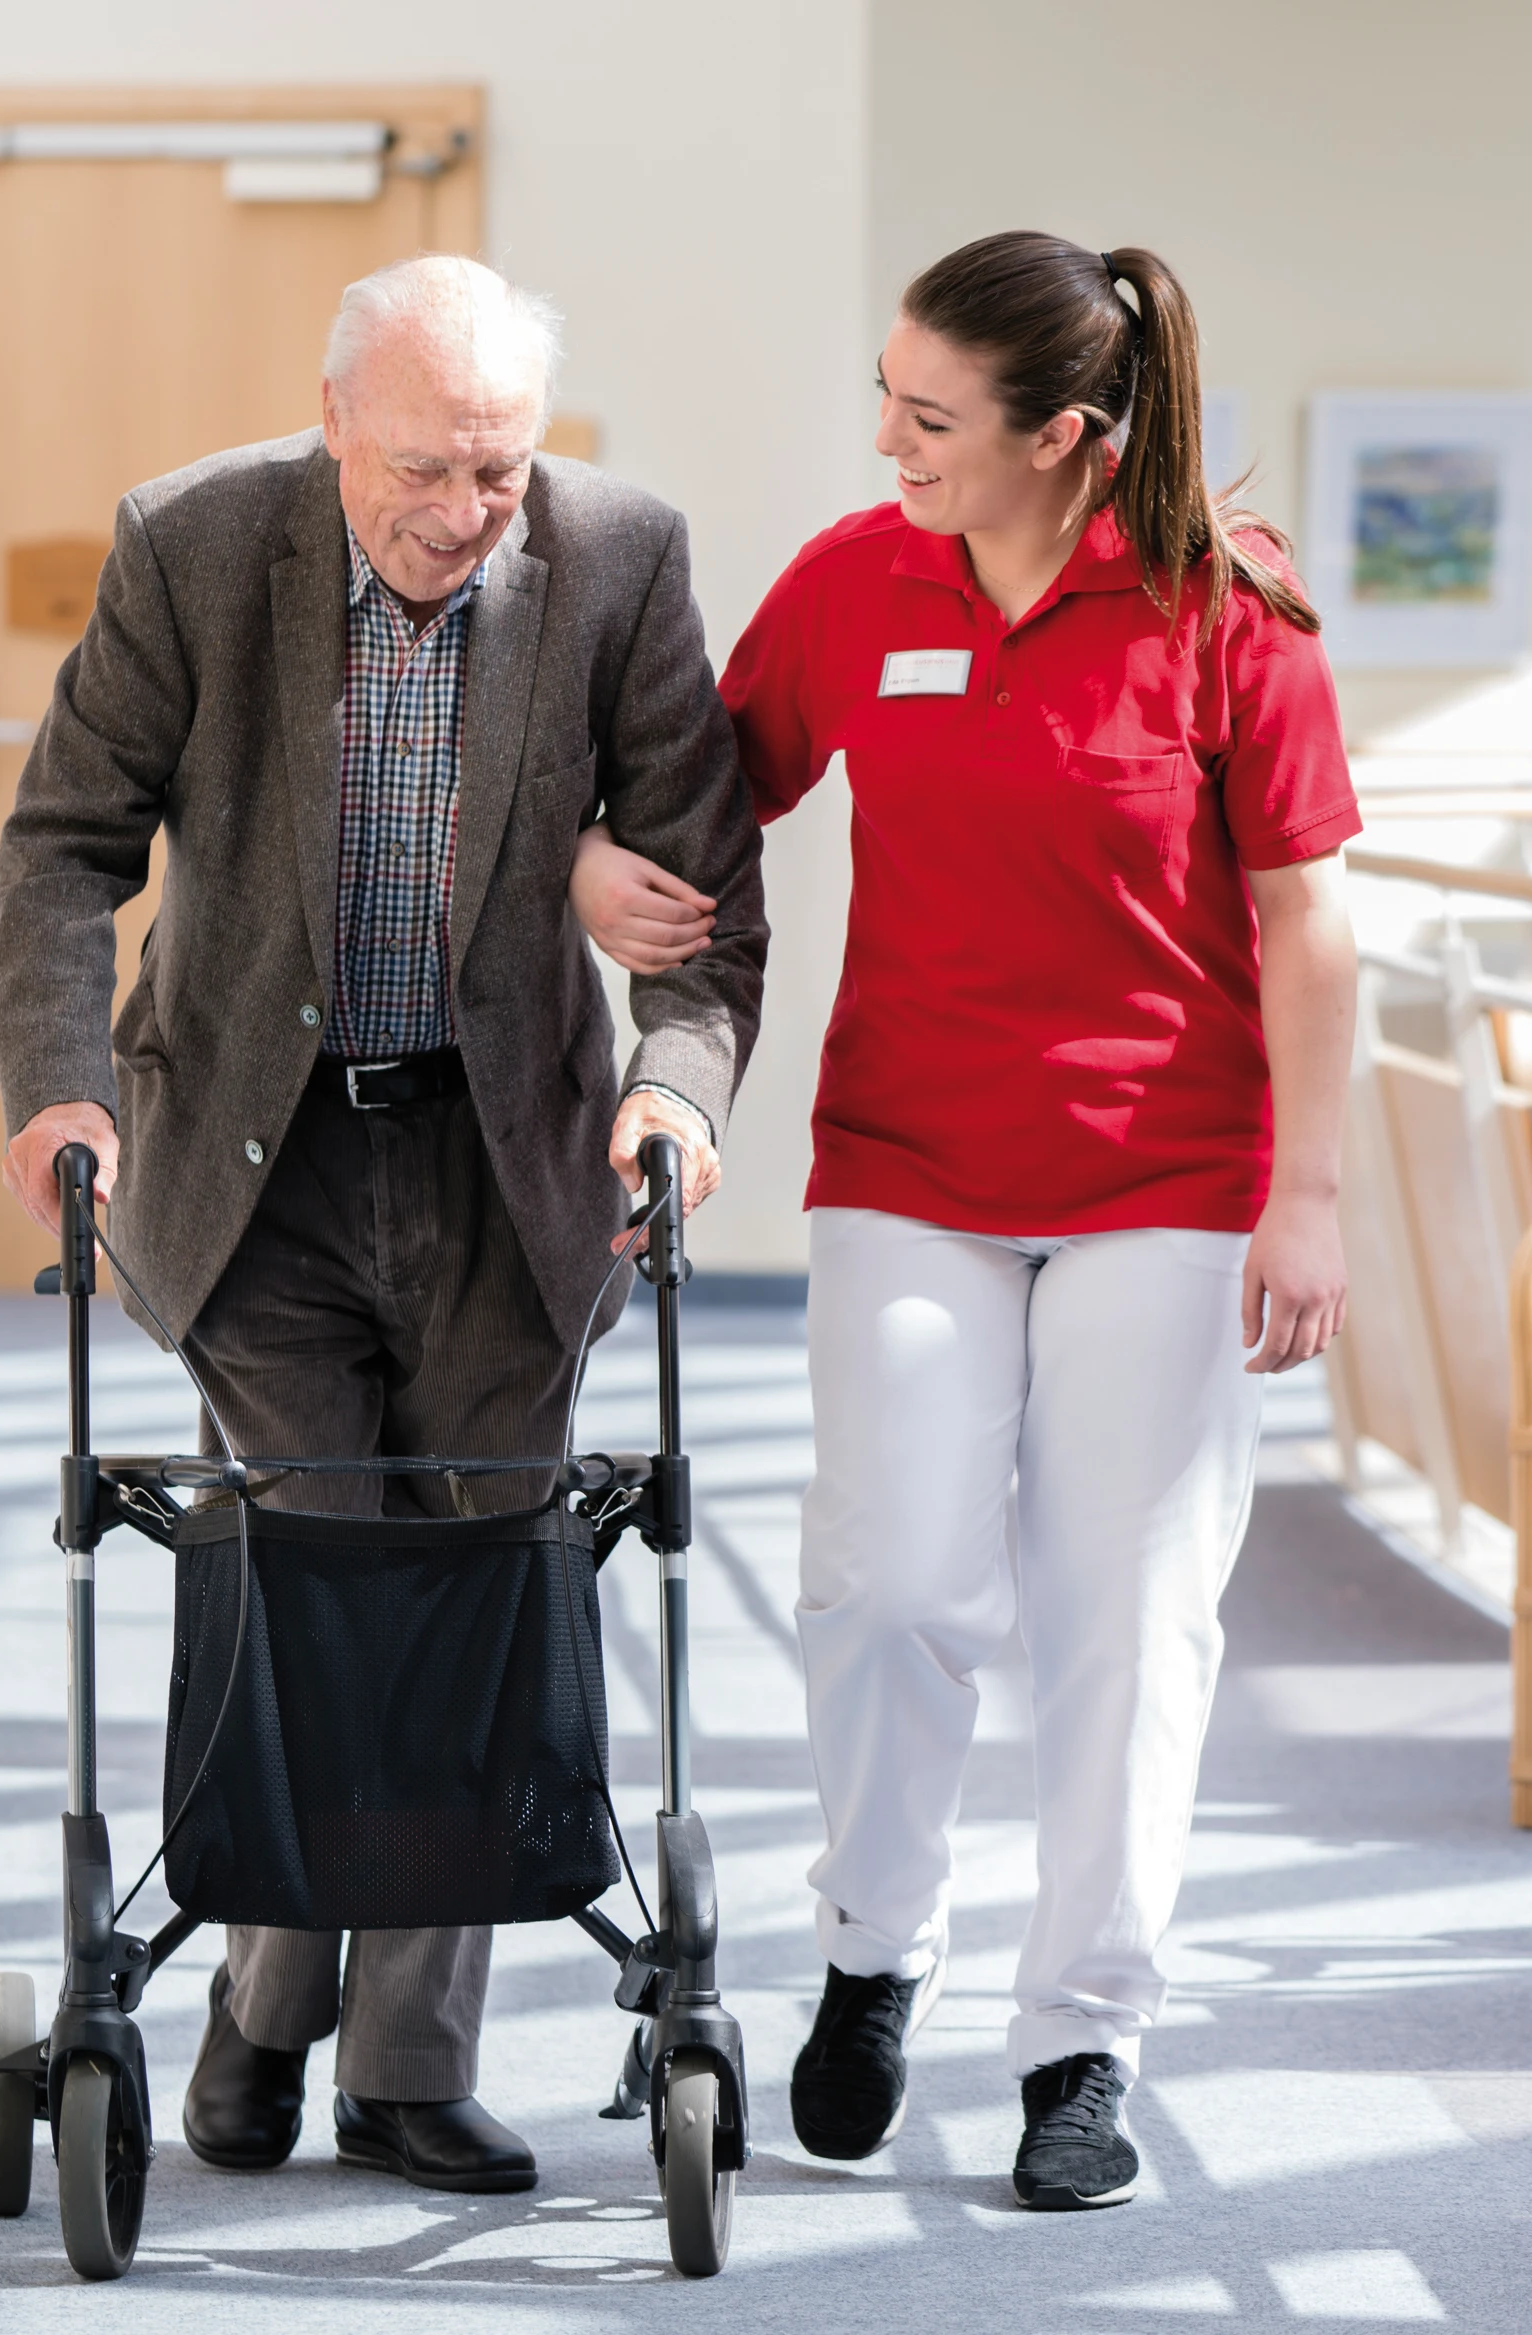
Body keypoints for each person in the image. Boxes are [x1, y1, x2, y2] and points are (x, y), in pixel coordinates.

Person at [575, 230, 1356, 2211]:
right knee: (892, 1581)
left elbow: (1307, 923)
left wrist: (1312, 1196)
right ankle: (874, 1950)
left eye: (930, 417)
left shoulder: (1226, 613)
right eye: (886, 397)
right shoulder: (861, 581)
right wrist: (589, 861)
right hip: (912, 1163)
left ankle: (1085, 2035)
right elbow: (703, 795)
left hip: (1165, 1178)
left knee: (1127, 1617)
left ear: (1067, 434)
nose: (889, 441)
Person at [0, 254, 766, 2198]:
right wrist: (60, 1084)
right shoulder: (193, 544)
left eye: (497, 471)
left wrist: (677, 1090)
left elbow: (705, 905)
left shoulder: (620, 558)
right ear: (335, 418)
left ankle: (407, 2064)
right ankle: (268, 2000)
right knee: (313, 1575)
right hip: (261, 1167)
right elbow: (68, 845)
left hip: (510, 1168)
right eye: (422, 467)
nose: (460, 511)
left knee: (481, 1589)